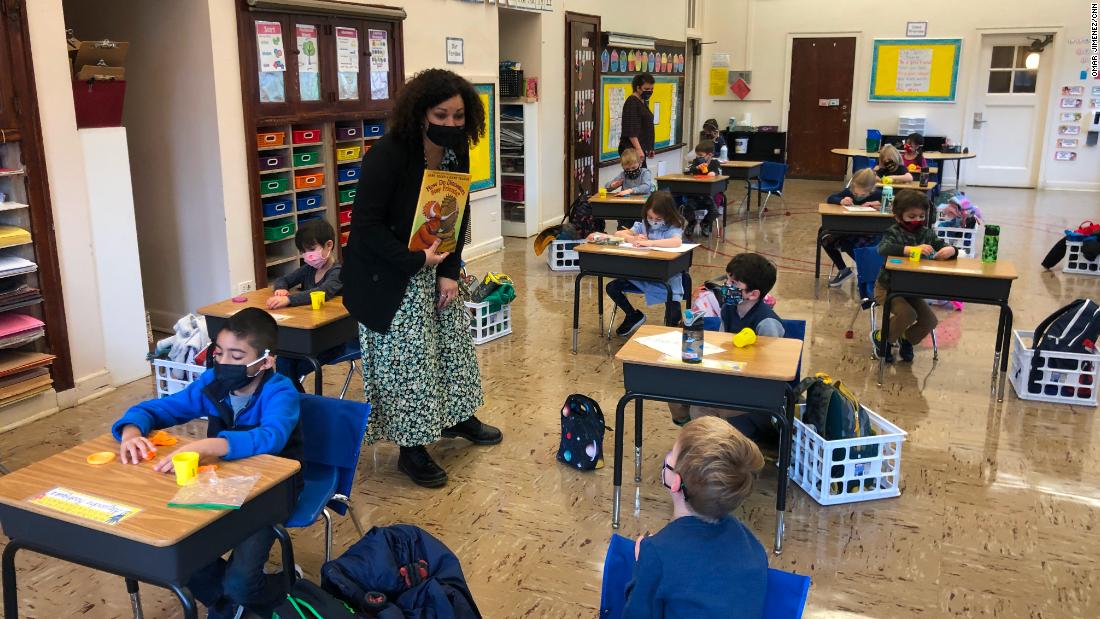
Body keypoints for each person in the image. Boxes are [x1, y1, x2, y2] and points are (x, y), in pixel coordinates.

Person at [341, 69, 501, 488]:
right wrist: (416, 261)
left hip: (434, 264)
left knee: (451, 345)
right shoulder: (388, 154)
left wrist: (448, 271)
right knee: (408, 364)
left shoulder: (456, 153)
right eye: (441, 115)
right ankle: (411, 449)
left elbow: (457, 213)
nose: (450, 124)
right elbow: (366, 228)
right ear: (420, 113)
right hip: (388, 273)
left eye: (458, 116)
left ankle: (456, 417)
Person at [112, 308, 302, 618]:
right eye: (220, 352)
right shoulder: (213, 383)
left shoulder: (280, 391)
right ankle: (231, 606)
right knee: (178, 558)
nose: (224, 362)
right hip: (222, 483)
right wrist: (131, 430)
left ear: (265, 361)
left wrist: (210, 445)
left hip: (272, 492)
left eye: (237, 356)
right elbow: (160, 409)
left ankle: (284, 585)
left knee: (241, 583)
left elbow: (272, 437)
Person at [622, 417, 768, 618]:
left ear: (676, 482)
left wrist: (644, 566)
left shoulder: (656, 555)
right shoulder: (751, 544)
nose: (667, 456)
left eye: (672, 453)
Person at [668, 254, 784, 439]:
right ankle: (698, 436)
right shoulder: (728, 308)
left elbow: (771, 372)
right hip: (729, 376)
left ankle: (705, 444)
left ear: (753, 294)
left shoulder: (767, 323)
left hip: (753, 392)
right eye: (728, 279)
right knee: (675, 391)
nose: (727, 286)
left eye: (735, 283)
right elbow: (722, 346)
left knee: (700, 407)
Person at [267, 220, 357, 385]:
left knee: (289, 366)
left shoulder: (338, 271)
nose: (307, 255)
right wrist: (281, 289)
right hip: (312, 335)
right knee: (284, 360)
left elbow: (322, 293)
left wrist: (288, 299)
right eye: (303, 251)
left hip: (336, 338)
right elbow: (283, 279)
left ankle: (294, 404)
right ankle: (292, 403)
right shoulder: (309, 269)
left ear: (328, 245)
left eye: (311, 249)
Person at [874, 190, 958, 362]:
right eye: (911, 216)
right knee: (908, 314)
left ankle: (906, 339)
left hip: (911, 289)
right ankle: (883, 339)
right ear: (898, 217)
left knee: (930, 320)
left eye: (921, 216)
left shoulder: (927, 233)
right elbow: (883, 248)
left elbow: (942, 245)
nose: (917, 220)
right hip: (888, 288)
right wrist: (910, 250)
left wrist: (951, 250)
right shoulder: (893, 232)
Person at [604, 192, 686, 335]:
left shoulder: (674, 225)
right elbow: (618, 234)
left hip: (666, 276)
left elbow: (676, 241)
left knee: (672, 298)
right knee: (612, 287)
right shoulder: (644, 224)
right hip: (642, 274)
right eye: (650, 218)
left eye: (658, 219)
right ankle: (633, 315)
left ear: (668, 215)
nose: (653, 221)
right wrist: (633, 237)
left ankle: (674, 328)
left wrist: (650, 242)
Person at [822, 168, 883, 286]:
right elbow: (830, 198)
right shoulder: (849, 192)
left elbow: (896, 204)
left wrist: (879, 205)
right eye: (855, 193)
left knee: (847, 244)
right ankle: (844, 270)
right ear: (852, 187)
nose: (858, 196)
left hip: (869, 233)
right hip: (849, 230)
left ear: (871, 190)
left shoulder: (878, 195)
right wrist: (841, 200)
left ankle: (869, 271)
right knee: (826, 238)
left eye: (863, 195)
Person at [618, 73, 655, 167]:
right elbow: (631, 130)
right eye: (646, 89)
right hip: (633, 150)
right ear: (638, 88)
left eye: (651, 89)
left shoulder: (642, 101)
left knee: (643, 176)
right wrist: (638, 149)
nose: (649, 91)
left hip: (641, 148)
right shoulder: (632, 102)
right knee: (638, 177)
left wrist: (650, 148)